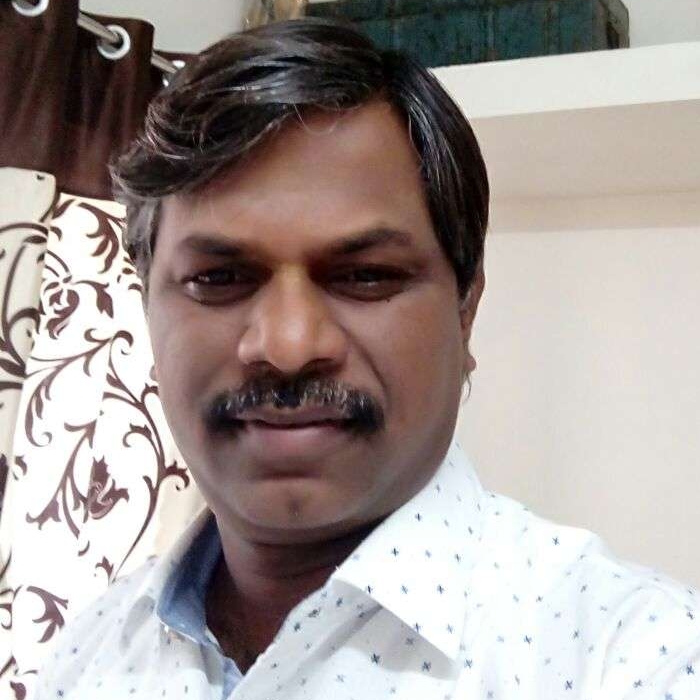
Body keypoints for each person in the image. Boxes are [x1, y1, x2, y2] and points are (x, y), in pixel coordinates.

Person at [36, 17, 699, 700]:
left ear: (465, 310)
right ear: (148, 307)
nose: (288, 347)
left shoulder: (639, 661)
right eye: (219, 278)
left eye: (366, 276)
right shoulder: (90, 655)